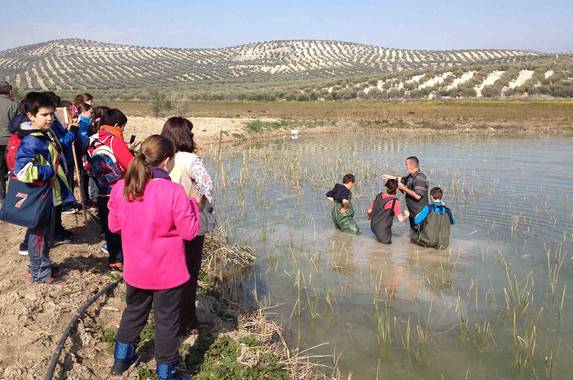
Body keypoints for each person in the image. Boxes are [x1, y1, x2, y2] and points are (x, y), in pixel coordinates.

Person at [108, 135, 199, 380]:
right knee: (167, 322)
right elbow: (189, 232)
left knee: (134, 312)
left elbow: (114, 226)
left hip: (136, 269)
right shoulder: (173, 192)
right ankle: (166, 372)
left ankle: (121, 359)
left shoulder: (122, 187)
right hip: (167, 273)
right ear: (167, 161)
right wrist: (192, 205)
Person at [161, 116, 216, 336]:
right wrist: (197, 204)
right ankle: (189, 322)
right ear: (184, 135)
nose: (193, 136)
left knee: (171, 273)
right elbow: (208, 186)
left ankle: (171, 318)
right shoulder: (189, 159)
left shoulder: (160, 157)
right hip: (189, 224)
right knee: (189, 273)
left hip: (165, 224)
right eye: (190, 133)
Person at [14, 92, 73, 283]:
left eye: (51, 114)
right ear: (31, 116)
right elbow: (22, 170)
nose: (49, 119)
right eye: (44, 115)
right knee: (39, 235)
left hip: (47, 193)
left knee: (45, 234)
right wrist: (49, 172)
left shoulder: (43, 134)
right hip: (40, 195)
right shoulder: (33, 140)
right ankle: (39, 272)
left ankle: (41, 265)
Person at [90, 108, 134, 271]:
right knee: (122, 227)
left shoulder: (93, 140)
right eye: (122, 127)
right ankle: (123, 260)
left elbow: (87, 166)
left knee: (110, 226)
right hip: (119, 191)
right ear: (116, 125)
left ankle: (114, 260)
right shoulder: (114, 141)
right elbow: (131, 165)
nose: (122, 131)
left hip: (101, 190)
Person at [383, 156, 429, 238]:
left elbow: (418, 196)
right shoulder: (411, 176)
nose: (405, 166)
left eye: (406, 164)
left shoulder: (420, 177)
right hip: (412, 212)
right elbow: (402, 179)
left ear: (412, 165)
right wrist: (389, 177)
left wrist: (403, 188)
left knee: (422, 234)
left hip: (420, 213)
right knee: (414, 233)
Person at [367, 179, 410, 244]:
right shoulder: (394, 201)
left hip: (373, 226)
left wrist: (370, 217)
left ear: (386, 187)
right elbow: (400, 219)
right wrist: (406, 215)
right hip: (382, 230)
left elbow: (369, 211)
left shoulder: (379, 195)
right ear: (396, 189)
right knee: (387, 248)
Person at [0, 81, 18, 205]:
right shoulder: (14, 105)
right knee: (12, 168)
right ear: (10, 91)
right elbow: (17, 124)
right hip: (9, 141)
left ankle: (1, 195)